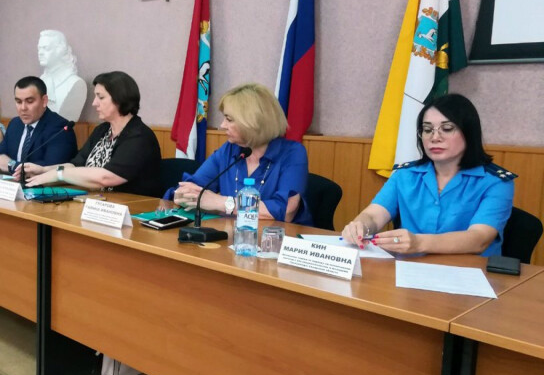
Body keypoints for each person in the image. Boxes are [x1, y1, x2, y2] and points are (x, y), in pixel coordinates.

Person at [342, 94, 515, 256]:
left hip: (469, 272)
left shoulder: (496, 182)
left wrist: (418, 243)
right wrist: (361, 226)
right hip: (408, 269)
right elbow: (373, 215)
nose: (435, 137)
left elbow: (479, 239)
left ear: (469, 133)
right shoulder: (405, 175)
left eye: (447, 128)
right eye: (427, 129)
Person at [164, 83, 312, 225]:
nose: (222, 125)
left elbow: (286, 211)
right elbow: (192, 187)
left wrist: (222, 203)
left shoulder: (293, 153)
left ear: (253, 122)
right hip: (233, 236)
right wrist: (183, 195)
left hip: (277, 238)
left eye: (229, 119)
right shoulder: (230, 149)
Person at [20, 71, 162, 196]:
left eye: (101, 97)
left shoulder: (139, 136)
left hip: (132, 211)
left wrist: (59, 174)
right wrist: (44, 170)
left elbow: (106, 178)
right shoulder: (102, 130)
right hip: (98, 205)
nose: (94, 103)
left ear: (120, 99)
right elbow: (76, 166)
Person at [0, 76, 77, 172]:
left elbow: (50, 168)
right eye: (18, 102)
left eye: (29, 101)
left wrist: (11, 165)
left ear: (44, 101)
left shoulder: (60, 128)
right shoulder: (15, 124)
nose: (23, 108)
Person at [38, 30, 87, 122]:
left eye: (46, 48)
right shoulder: (41, 81)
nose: (40, 52)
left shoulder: (75, 83)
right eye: (39, 48)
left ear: (60, 50)